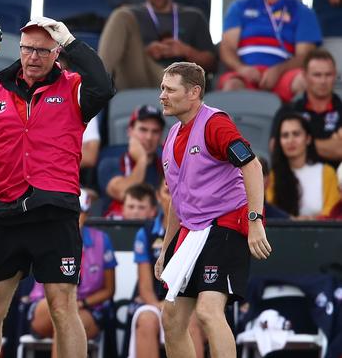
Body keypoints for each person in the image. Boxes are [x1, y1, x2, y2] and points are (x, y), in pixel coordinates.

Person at [0, 16, 114, 358]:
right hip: (6, 213)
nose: (33, 56)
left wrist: (74, 42)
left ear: (57, 53)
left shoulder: (74, 86)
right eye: (27, 49)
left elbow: (103, 89)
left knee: (63, 306)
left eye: (42, 50)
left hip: (54, 212)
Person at [154, 62, 272, 358]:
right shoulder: (171, 137)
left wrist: (255, 219)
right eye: (161, 88)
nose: (162, 95)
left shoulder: (215, 124)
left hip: (226, 225)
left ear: (194, 92)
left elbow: (252, 165)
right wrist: (166, 249)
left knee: (208, 311)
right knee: (171, 318)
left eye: (169, 89)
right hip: (192, 232)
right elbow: (177, 202)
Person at [28, 189, 117, 356]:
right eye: (69, 210)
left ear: (87, 213)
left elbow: (109, 290)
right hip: (46, 303)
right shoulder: (48, 236)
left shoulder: (101, 240)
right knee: (62, 313)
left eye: (79, 211)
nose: (75, 216)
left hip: (86, 307)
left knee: (66, 323)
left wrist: (81, 304)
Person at [129, 180, 205, 358]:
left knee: (189, 321)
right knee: (147, 320)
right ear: (157, 196)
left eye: (177, 193)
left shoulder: (198, 229)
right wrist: (159, 305)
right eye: (167, 193)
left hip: (189, 301)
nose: (173, 199)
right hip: (155, 301)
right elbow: (145, 288)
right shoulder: (145, 233)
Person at [98, 0, 216, 90]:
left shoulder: (193, 16)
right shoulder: (133, 15)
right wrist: (146, 52)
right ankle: (96, 82)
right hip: (141, 75)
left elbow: (211, 63)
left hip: (181, 79)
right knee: (121, 15)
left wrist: (185, 51)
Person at [219, 0, 322, 102]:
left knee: (304, 82)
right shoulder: (240, 6)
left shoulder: (302, 11)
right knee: (232, 86)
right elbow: (227, 47)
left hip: (285, 73)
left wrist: (279, 70)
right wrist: (241, 68)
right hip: (245, 72)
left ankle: (295, 119)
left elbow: (305, 56)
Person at [271, 49, 342, 167]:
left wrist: (298, 144)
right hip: (295, 181)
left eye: (328, 74)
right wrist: (330, 145)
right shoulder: (289, 110)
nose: (323, 81)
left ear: (335, 75)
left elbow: (340, 150)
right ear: (305, 76)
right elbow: (276, 147)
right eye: (317, 75)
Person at [267, 113, 341, 219]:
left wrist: (311, 220)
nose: (290, 140)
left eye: (296, 134)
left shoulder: (326, 172)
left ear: (308, 139)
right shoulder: (273, 175)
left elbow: (334, 212)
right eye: (285, 135)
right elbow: (270, 212)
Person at [103, 105, 165, 218]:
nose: (149, 137)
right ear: (130, 131)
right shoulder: (110, 161)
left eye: (155, 131)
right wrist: (142, 160)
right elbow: (122, 192)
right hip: (118, 230)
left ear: (161, 135)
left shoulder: (166, 165)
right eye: (143, 129)